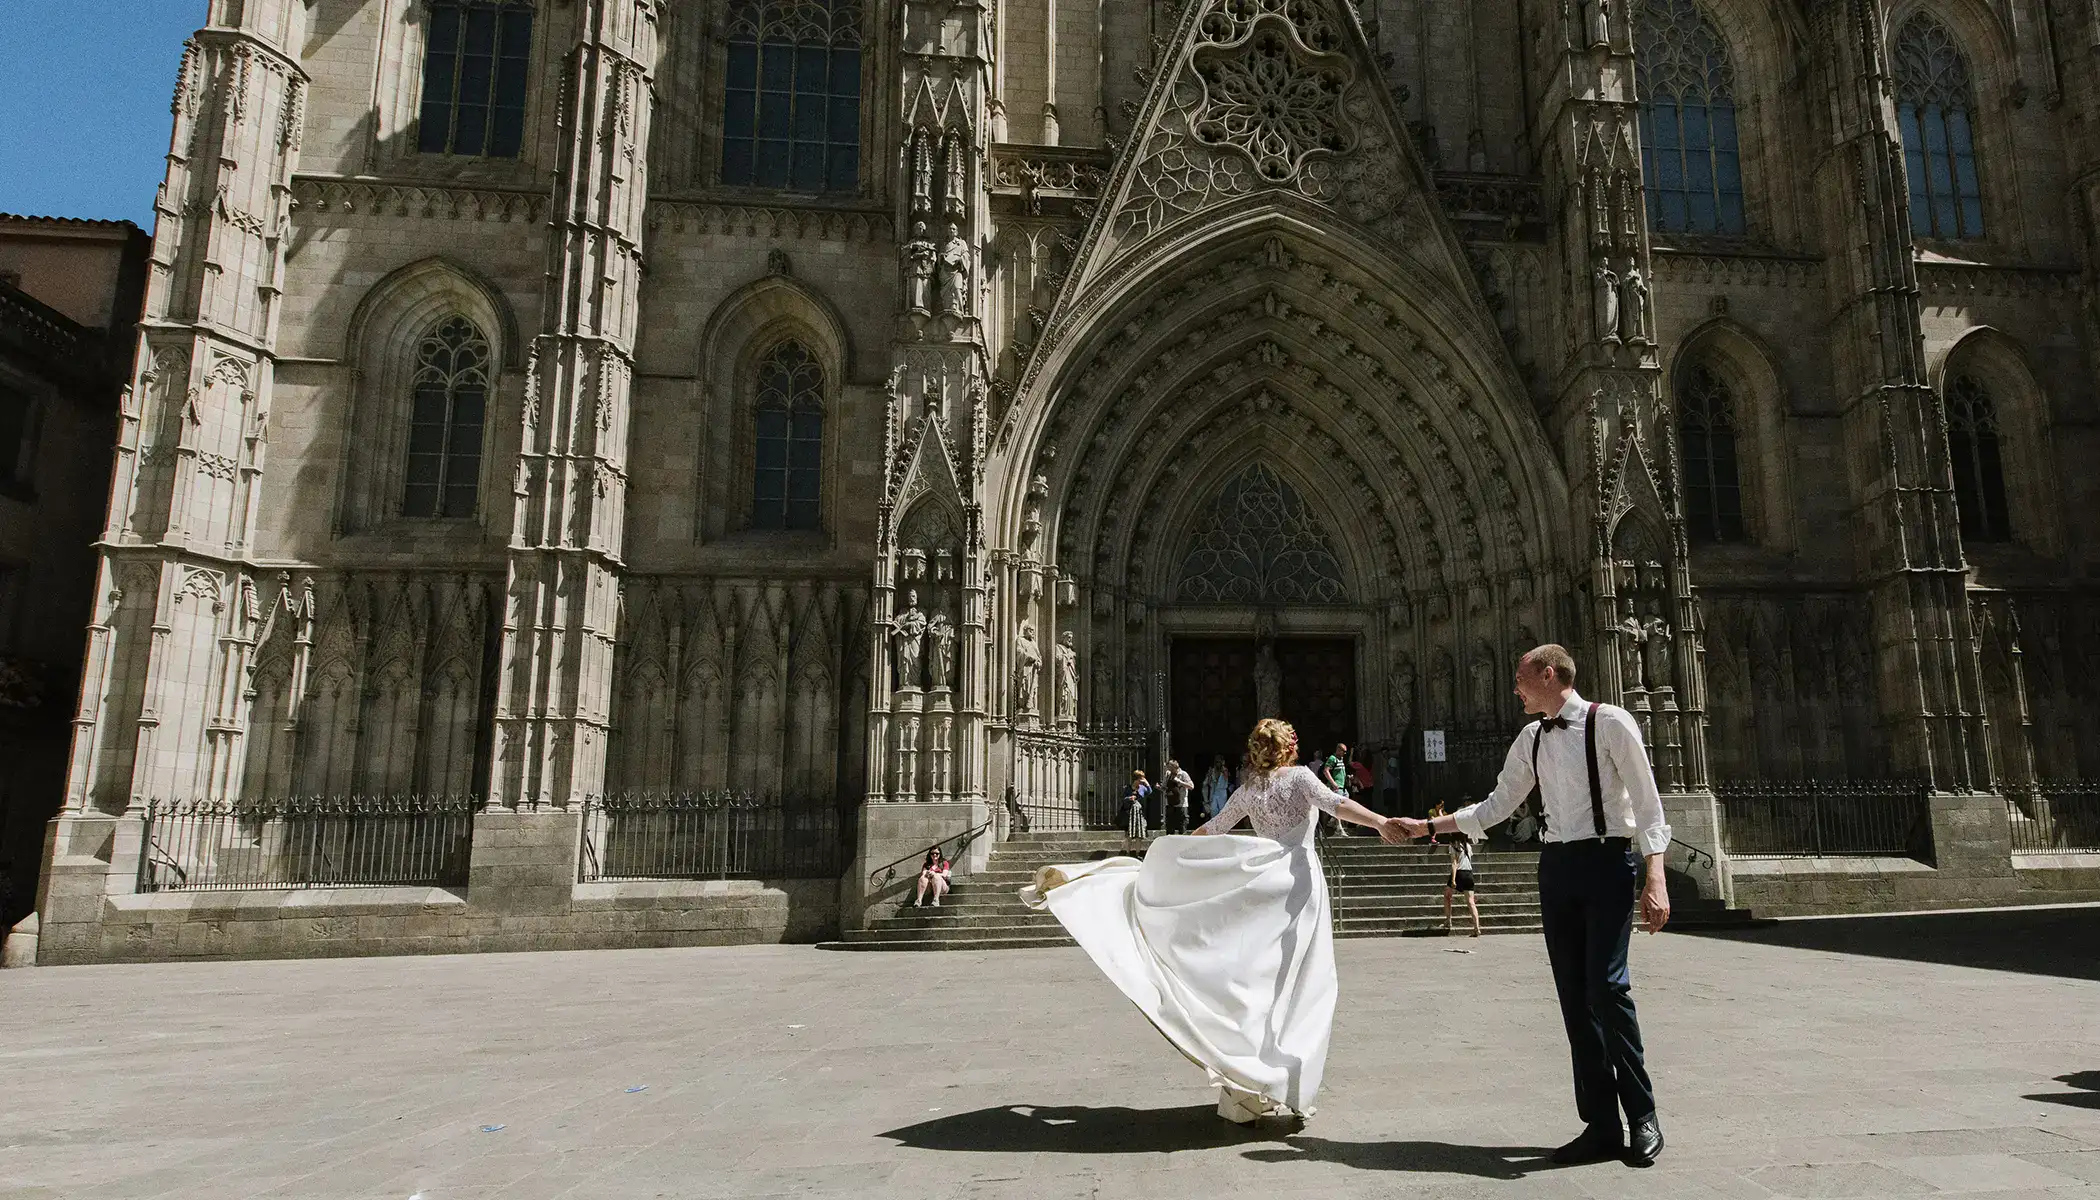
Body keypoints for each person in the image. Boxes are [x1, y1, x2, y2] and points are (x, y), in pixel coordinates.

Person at [1021, 718, 1405, 1125]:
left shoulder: (1249, 790)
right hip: (1298, 885)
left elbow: (1214, 828)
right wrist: (1381, 822)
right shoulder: (1300, 780)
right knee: (1300, 985)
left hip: (1264, 883)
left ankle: (1247, 1088)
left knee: (1256, 982)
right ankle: (1286, 1081)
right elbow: (1337, 804)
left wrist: (1166, 854)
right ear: (1290, 747)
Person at [1389, 644, 1672, 1167]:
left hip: (1609, 862)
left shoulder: (1610, 723)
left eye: (1520, 679)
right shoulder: (1531, 738)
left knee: (1608, 989)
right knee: (1573, 996)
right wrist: (1427, 827)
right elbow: (1496, 807)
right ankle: (1602, 1125)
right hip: (1557, 868)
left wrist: (1655, 873)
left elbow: (1649, 801)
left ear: (1548, 674)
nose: (1514, 689)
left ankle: (1643, 1114)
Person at [1444, 833, 1482, 937]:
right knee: (1471, 902)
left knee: (1447, 896)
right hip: (1469, 873)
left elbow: (1454, 863)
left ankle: (1448, 920)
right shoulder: (1468, 846)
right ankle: (1476, 928)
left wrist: (1453, 879)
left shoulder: (1452, 846)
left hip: (1459, 873)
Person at [1161, 759, 1195, 834]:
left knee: (1182, 826)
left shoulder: (1183, 774)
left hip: (1181, 804)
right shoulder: (1168, 774)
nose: (1168, 769)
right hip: (1170, 804)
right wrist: (1160, 788)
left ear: (1174, 767)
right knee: (1170, 827)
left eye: (1169, 767)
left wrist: (1179, 781)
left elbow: (1191, 786)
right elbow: (1164, 787)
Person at [1201, 756, 1234, 823]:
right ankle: (1214, 824)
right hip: (1214, 791)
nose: (1218, 763)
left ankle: (1222, 824)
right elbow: (1208, 782)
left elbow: (1226, 778)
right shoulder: (1212, 771)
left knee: (1222, 810)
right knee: (1213, 809)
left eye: (1219, 761)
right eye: (1216, 762)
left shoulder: (1225, 770)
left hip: (1222, 792)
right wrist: (1209, 774)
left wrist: (1223, 768)